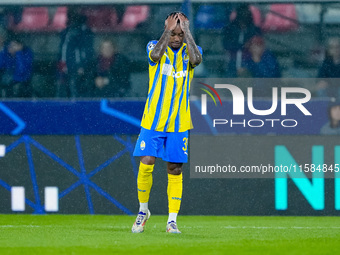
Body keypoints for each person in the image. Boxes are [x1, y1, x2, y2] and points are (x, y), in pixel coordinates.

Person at [131, 12, 202, 234]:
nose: (177, 38)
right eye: (174, 34)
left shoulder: (191, 50)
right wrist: (167, 31)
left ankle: (172, 220)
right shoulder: (155, 45)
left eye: (180, 34)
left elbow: (196, 61)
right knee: (147, 160)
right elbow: (154, 55)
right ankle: (143, 211)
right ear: (166, 30)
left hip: (179, 122)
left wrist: (187, 31)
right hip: (153, 119)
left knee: (174, 169)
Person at [56, 9, 94, 98]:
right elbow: (63, 51)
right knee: (63, 89)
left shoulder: (83, 33)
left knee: (76, 89)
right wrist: (62, 65)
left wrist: (81, 66)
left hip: (77, 68)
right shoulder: (66, 32)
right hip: (66, 67)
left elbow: (84, 51)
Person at [222, 4, 261, 77]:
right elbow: (226, 44)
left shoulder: (254, 30)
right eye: (242, 12)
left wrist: (249, 45)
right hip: (233, 60)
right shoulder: (231, 29)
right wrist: (242, 45)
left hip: (250, 61)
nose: (244, 15)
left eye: (246, 13)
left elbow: (258, 43)